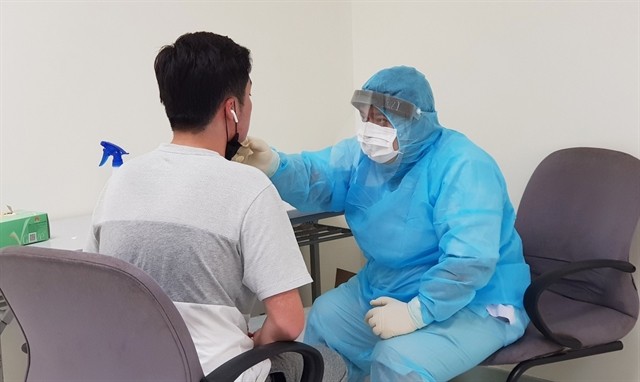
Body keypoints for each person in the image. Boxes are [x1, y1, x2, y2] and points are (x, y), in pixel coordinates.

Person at [232, 65, 531, 381]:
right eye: (366, 118)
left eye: (382, 119)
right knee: (324, 317)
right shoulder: (364, 157)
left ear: (414, 121)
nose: (370, 129)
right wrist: (276, 166)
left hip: (478, 301)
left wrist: (418, 312)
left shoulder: (464, 165)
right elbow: (318, 176)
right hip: (389, 284)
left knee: (397, 360)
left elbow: (471, 260)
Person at [85, 31, 346, 382]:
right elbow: (288, 321)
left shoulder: (119, 180)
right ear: (232, 109)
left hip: (130, 368)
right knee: (331, 364)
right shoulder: (249, 186)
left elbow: (94, 287)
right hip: (218, 374)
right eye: (249, 97)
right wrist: (258, 341)